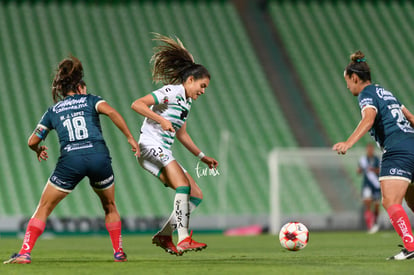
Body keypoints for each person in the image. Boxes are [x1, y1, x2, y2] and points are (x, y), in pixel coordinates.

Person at [4, 56, 139, 264]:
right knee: (110, 205)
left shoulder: (53, 110)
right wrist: (130, 138)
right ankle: (119, 253)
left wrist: (38, 149)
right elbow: (112, 113)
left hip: (71, 160)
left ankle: (25, 252)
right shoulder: (92, 100)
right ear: (80, 86)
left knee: (44, 207)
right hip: (98, 157)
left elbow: (32, 140)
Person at [131, 33, 218, 256]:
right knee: (183, 185)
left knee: (196, 194)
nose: (203, 91)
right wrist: (161, 120)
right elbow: (137, 104)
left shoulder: (186, 103)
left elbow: (182, 135)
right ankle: (184, 238)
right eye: (202, 85)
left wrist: (202, 156)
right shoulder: (171, 92)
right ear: (190, 80)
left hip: (160, 151)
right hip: (150, 146)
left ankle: (164, 235)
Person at [333, 50, 414, 260]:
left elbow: (369, 119)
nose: (347, 86)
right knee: (412, 200)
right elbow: (411, 118)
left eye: (347, 81)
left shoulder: (366, 94)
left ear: (355, 78)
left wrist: (348, 143)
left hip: (397, 150)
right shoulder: (386, 92)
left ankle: (411, 246)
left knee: (390, 201)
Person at [357, 143, 381, 233]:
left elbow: (380, 170)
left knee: (376, 206)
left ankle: (375, 222)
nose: (370, 150)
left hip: (375, 185)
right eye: (368, 149)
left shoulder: (377, 159)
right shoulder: (363, 160)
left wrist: (373, 170)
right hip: (367, 185)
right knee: (367, 203)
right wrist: (359, 170)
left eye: (371, 149)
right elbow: (359, 171)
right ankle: (370, 225)